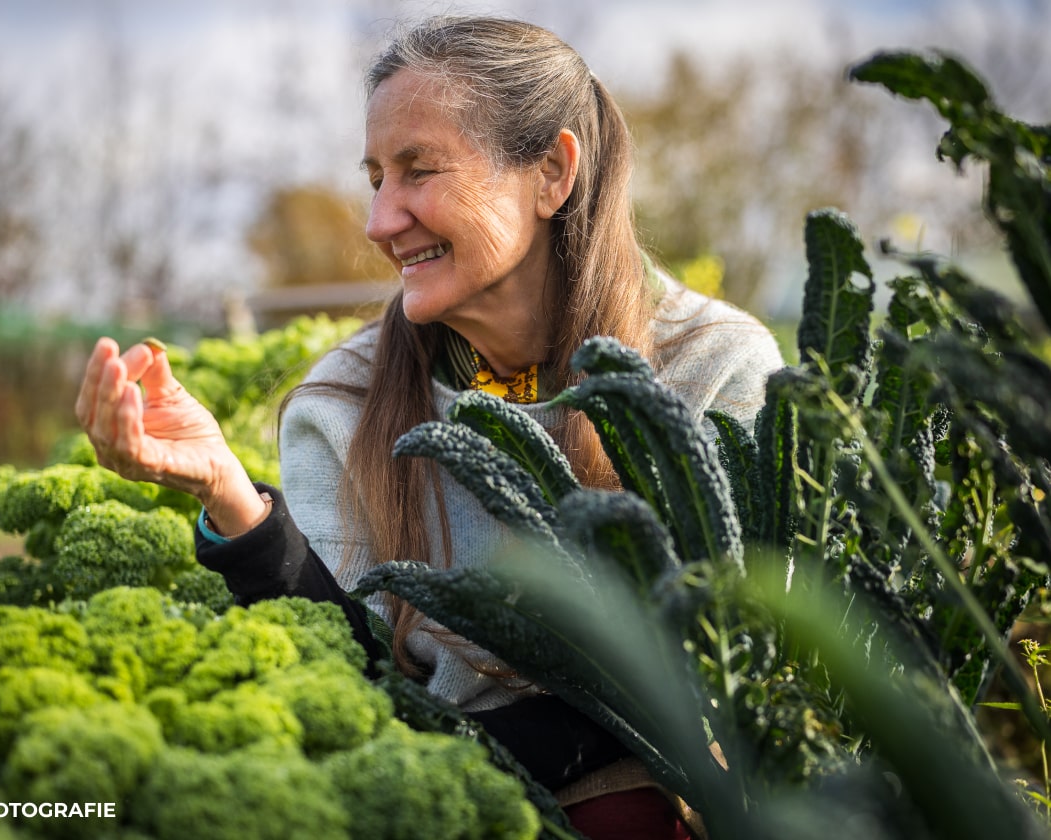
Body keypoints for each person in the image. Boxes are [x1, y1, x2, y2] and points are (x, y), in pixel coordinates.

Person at [76, 15, 784, 840]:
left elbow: (717, 680)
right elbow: (353, 676)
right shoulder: (339, 405)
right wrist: (230, 497)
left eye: (418, 171)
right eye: (375, 177)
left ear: (552, 172)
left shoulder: (714, 372)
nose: (379, 221)